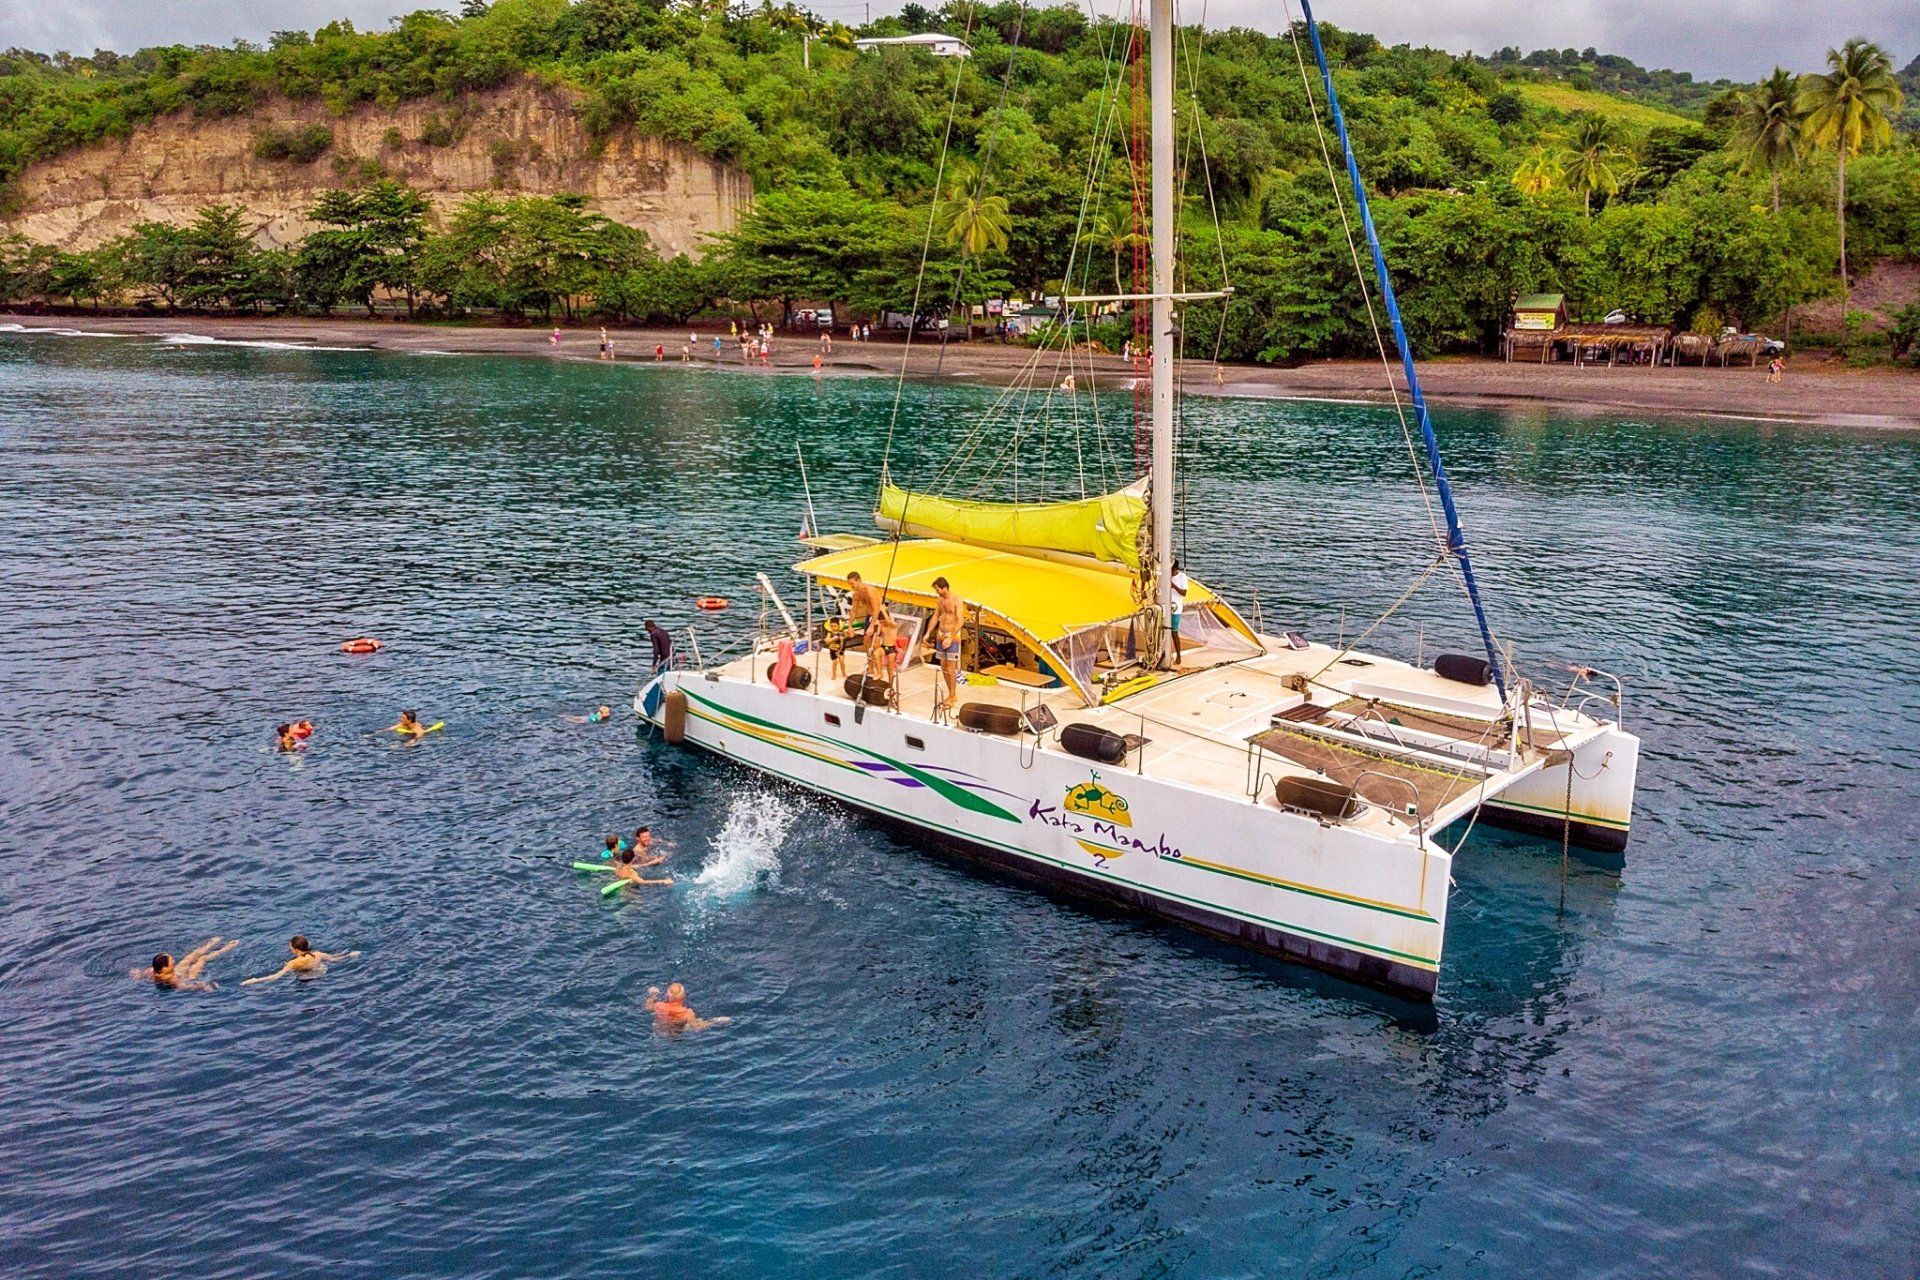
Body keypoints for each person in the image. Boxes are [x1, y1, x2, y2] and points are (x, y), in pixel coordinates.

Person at [133, 937, 239, 991]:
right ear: (164, 968)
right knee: (202, 960)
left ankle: (210, 944)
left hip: (178, 972)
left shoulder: (152, 970)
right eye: (171, 962)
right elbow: (185, 986)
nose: (174, 961)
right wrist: (203, 986)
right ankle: (227, 947)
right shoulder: (171, 980)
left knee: (190, 957)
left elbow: (137, 973)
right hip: (188, 978)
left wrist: (136, 974)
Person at [242, 936, 359, 985]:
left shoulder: (293, 963)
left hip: (307, 977)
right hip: (322, 972)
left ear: (296, 949)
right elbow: (335, 959)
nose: (290, 948)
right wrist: (350, 955)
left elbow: (275, 977)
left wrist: (255, 980)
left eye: (290, 946)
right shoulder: (318, 954)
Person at [930, 575, 962, 712]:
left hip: (952, 634)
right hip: (941, 634)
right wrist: (928, 632)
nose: (937, 592)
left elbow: (960, 621)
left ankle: (953, 695)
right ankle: (950, 693)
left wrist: (951, 637)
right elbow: (936, 616)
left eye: (938, 589)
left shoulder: (956, 600)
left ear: (945, 587)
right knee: (943, 665)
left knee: (951, 666)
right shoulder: (939, 600)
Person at [644, 981, 729, 1032]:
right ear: (684, 996)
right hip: (675, 1035)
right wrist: (714, 1022)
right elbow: (696, 1027)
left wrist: (652, 995)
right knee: (691, 1025)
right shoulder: (687, 1013)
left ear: (667, 996)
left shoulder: (659, 1005)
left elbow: (647, 1008)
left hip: (658, 1031)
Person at [1168, 558, 1190, 666]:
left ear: (1175, 568)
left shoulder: (1182, 577)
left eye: (1172, 570)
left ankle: (1178, 656)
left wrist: (1174, 586)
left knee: (1174, 632)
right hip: (1166, 607)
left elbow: (1184, 593)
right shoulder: (1166, 576)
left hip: (1176, 608)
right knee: (1163, 631)